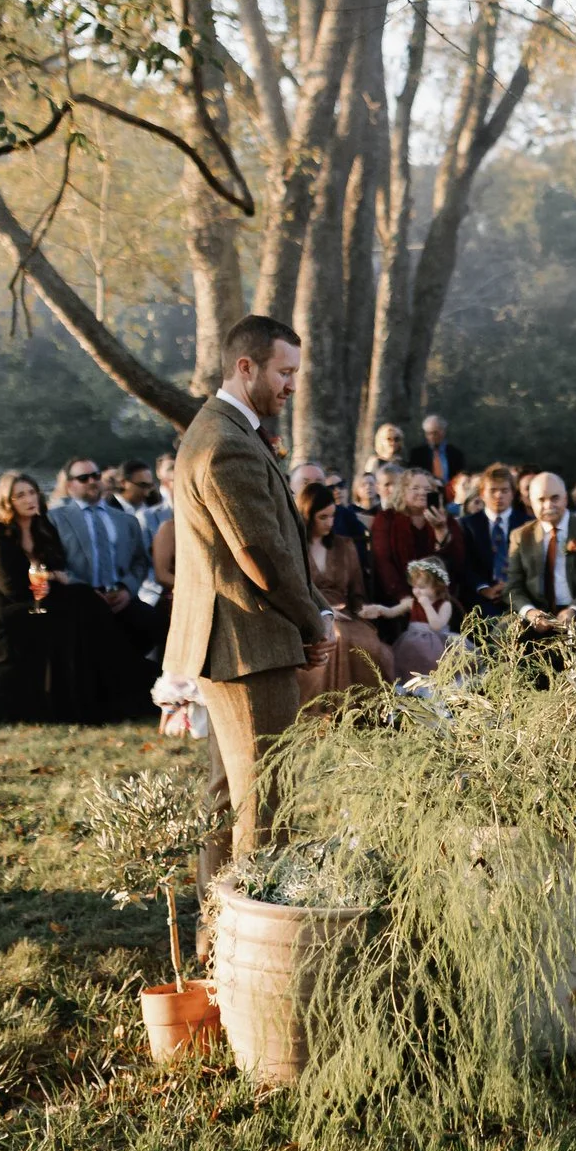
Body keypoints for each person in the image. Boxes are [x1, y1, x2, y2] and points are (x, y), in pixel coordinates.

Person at [168, 315, 333, 881]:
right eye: (284, 372)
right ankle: (254, 922)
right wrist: (313, 622)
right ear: (246, 367)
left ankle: (217, 924)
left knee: (230, 796)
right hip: (248, 647)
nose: (292, 385)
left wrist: (317, 609)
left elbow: (276, 543)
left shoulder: (226, 431)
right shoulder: (224, 445)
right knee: (266, 802)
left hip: (237, 644)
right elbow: (260, 556)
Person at [0, 470, 152, 724]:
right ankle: (95, 697)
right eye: (20, 495)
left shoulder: (41, 528)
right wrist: (52, 577)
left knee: (85, 599)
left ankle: (109, 693)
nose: (29, 499)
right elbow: (13, 589)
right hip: (4, 615)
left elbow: (58, 568)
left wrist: (53, 579)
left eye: (31, 492)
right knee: (75, 611)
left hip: (37, 603)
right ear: (7, 502)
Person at [295, 482, 394, 709]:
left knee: (366, 644)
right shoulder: (295, 548)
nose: (330, 523)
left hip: (346, 613)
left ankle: (365, 709)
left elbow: (357, 590)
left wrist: (363, 609)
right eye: (323, 517)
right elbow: (296, 590)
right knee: (335, 636)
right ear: (307, 516)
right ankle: (326, 710)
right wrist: (322, 611)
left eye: (333, 516)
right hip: (309, 615)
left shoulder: (344, 545)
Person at [54, 457, 162, 652]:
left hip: (121, 599)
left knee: (153, 623)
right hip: (80, 604)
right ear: (70, 485)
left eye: (96, 476)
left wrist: (127, 590)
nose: (92, 481)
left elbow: (140, 562)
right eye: (84, 478)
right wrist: (87, 594)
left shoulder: (127, 520)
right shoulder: (55, 519)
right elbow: (54, 564)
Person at [506, 470, 576, 637]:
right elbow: (513, 587)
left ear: (565, 498)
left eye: (555, 498)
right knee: (503, 632)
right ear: (530, 502)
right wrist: (530, 612)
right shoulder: (520, 536)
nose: (548, 505)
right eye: (541, 500)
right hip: (536, 612)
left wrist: (574, 610)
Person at [369, 470, 471, 619]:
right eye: (415, 488)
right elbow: (383, 561)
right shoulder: (386, 519)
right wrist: (403, 596)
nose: (422, 492)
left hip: (438, 599)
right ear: (403, 491)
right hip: (396, 598)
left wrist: (441, 531)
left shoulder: (446, 520)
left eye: (427, 489)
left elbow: (456, 562)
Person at [458, 462, 521, 611]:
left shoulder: (526, 524)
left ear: (513, 493)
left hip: (519, 595)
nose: (499, 495)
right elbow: (465, 564)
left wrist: (510, 586)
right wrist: (484, 588)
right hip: (480, 598)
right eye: (493, 490)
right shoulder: (468, 525)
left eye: (504, 490)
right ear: (482, 494)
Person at [418, 414, 467, 487]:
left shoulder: (456, 454)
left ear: (443, 432)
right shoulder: (418, 454)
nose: (432, 437)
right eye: (429, 433)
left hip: (450, 491)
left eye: (435, 433)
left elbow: (461, 476)